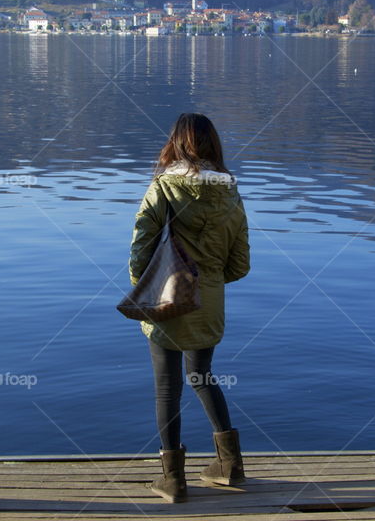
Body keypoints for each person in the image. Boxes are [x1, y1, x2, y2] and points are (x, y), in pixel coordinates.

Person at [128, 112, 251, 504]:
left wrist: (142, 286)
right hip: (210, 301)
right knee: (202, 375)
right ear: (214, 144)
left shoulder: (163, 187)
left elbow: (141, 247)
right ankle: (229, 467)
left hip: (166, 297)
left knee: (168, 388)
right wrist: (211, 282)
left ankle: (172, 480)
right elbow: (241, 262)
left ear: (176, 143)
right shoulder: (231, 192)